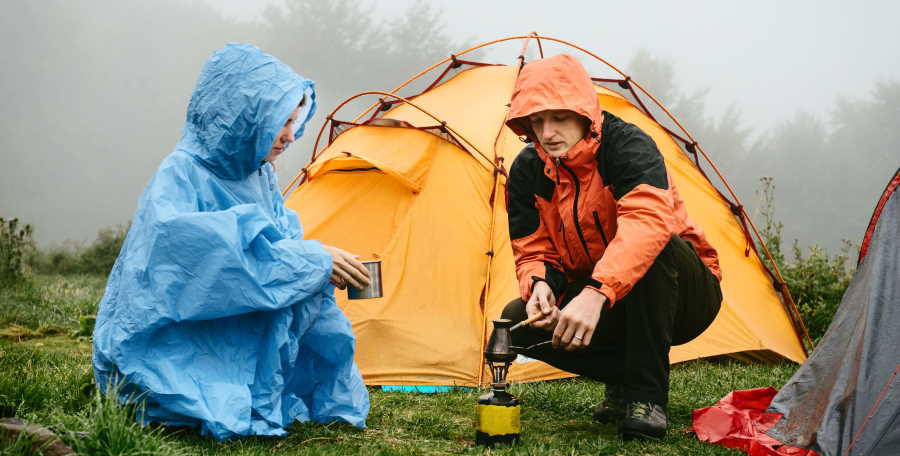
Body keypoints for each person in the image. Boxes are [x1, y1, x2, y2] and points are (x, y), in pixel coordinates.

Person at [92, 43, 371, 440]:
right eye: (281, 122)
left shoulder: (258, 173)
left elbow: (278, 246)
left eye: (296, 121)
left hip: (238, 326)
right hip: (174, 334)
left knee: (310, 285)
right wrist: (309, 260)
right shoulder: (182, 172)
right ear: (245, 118)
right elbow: (192, 262)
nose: (291, 136)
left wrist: (317, 265)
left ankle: (261, 389)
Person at [502, 54, 723, 441]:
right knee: (517, 321)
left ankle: (645, 398)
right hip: (606, 298)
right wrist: (541, 287)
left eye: (558, 117)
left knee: (659, 249)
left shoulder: (627, 146)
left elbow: (648, 222)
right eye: (536, 121)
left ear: (584, 113)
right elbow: (532, 246)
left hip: (682, 295)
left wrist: (596, 292)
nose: (547, 132)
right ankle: (626, 378)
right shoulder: (527, 169)